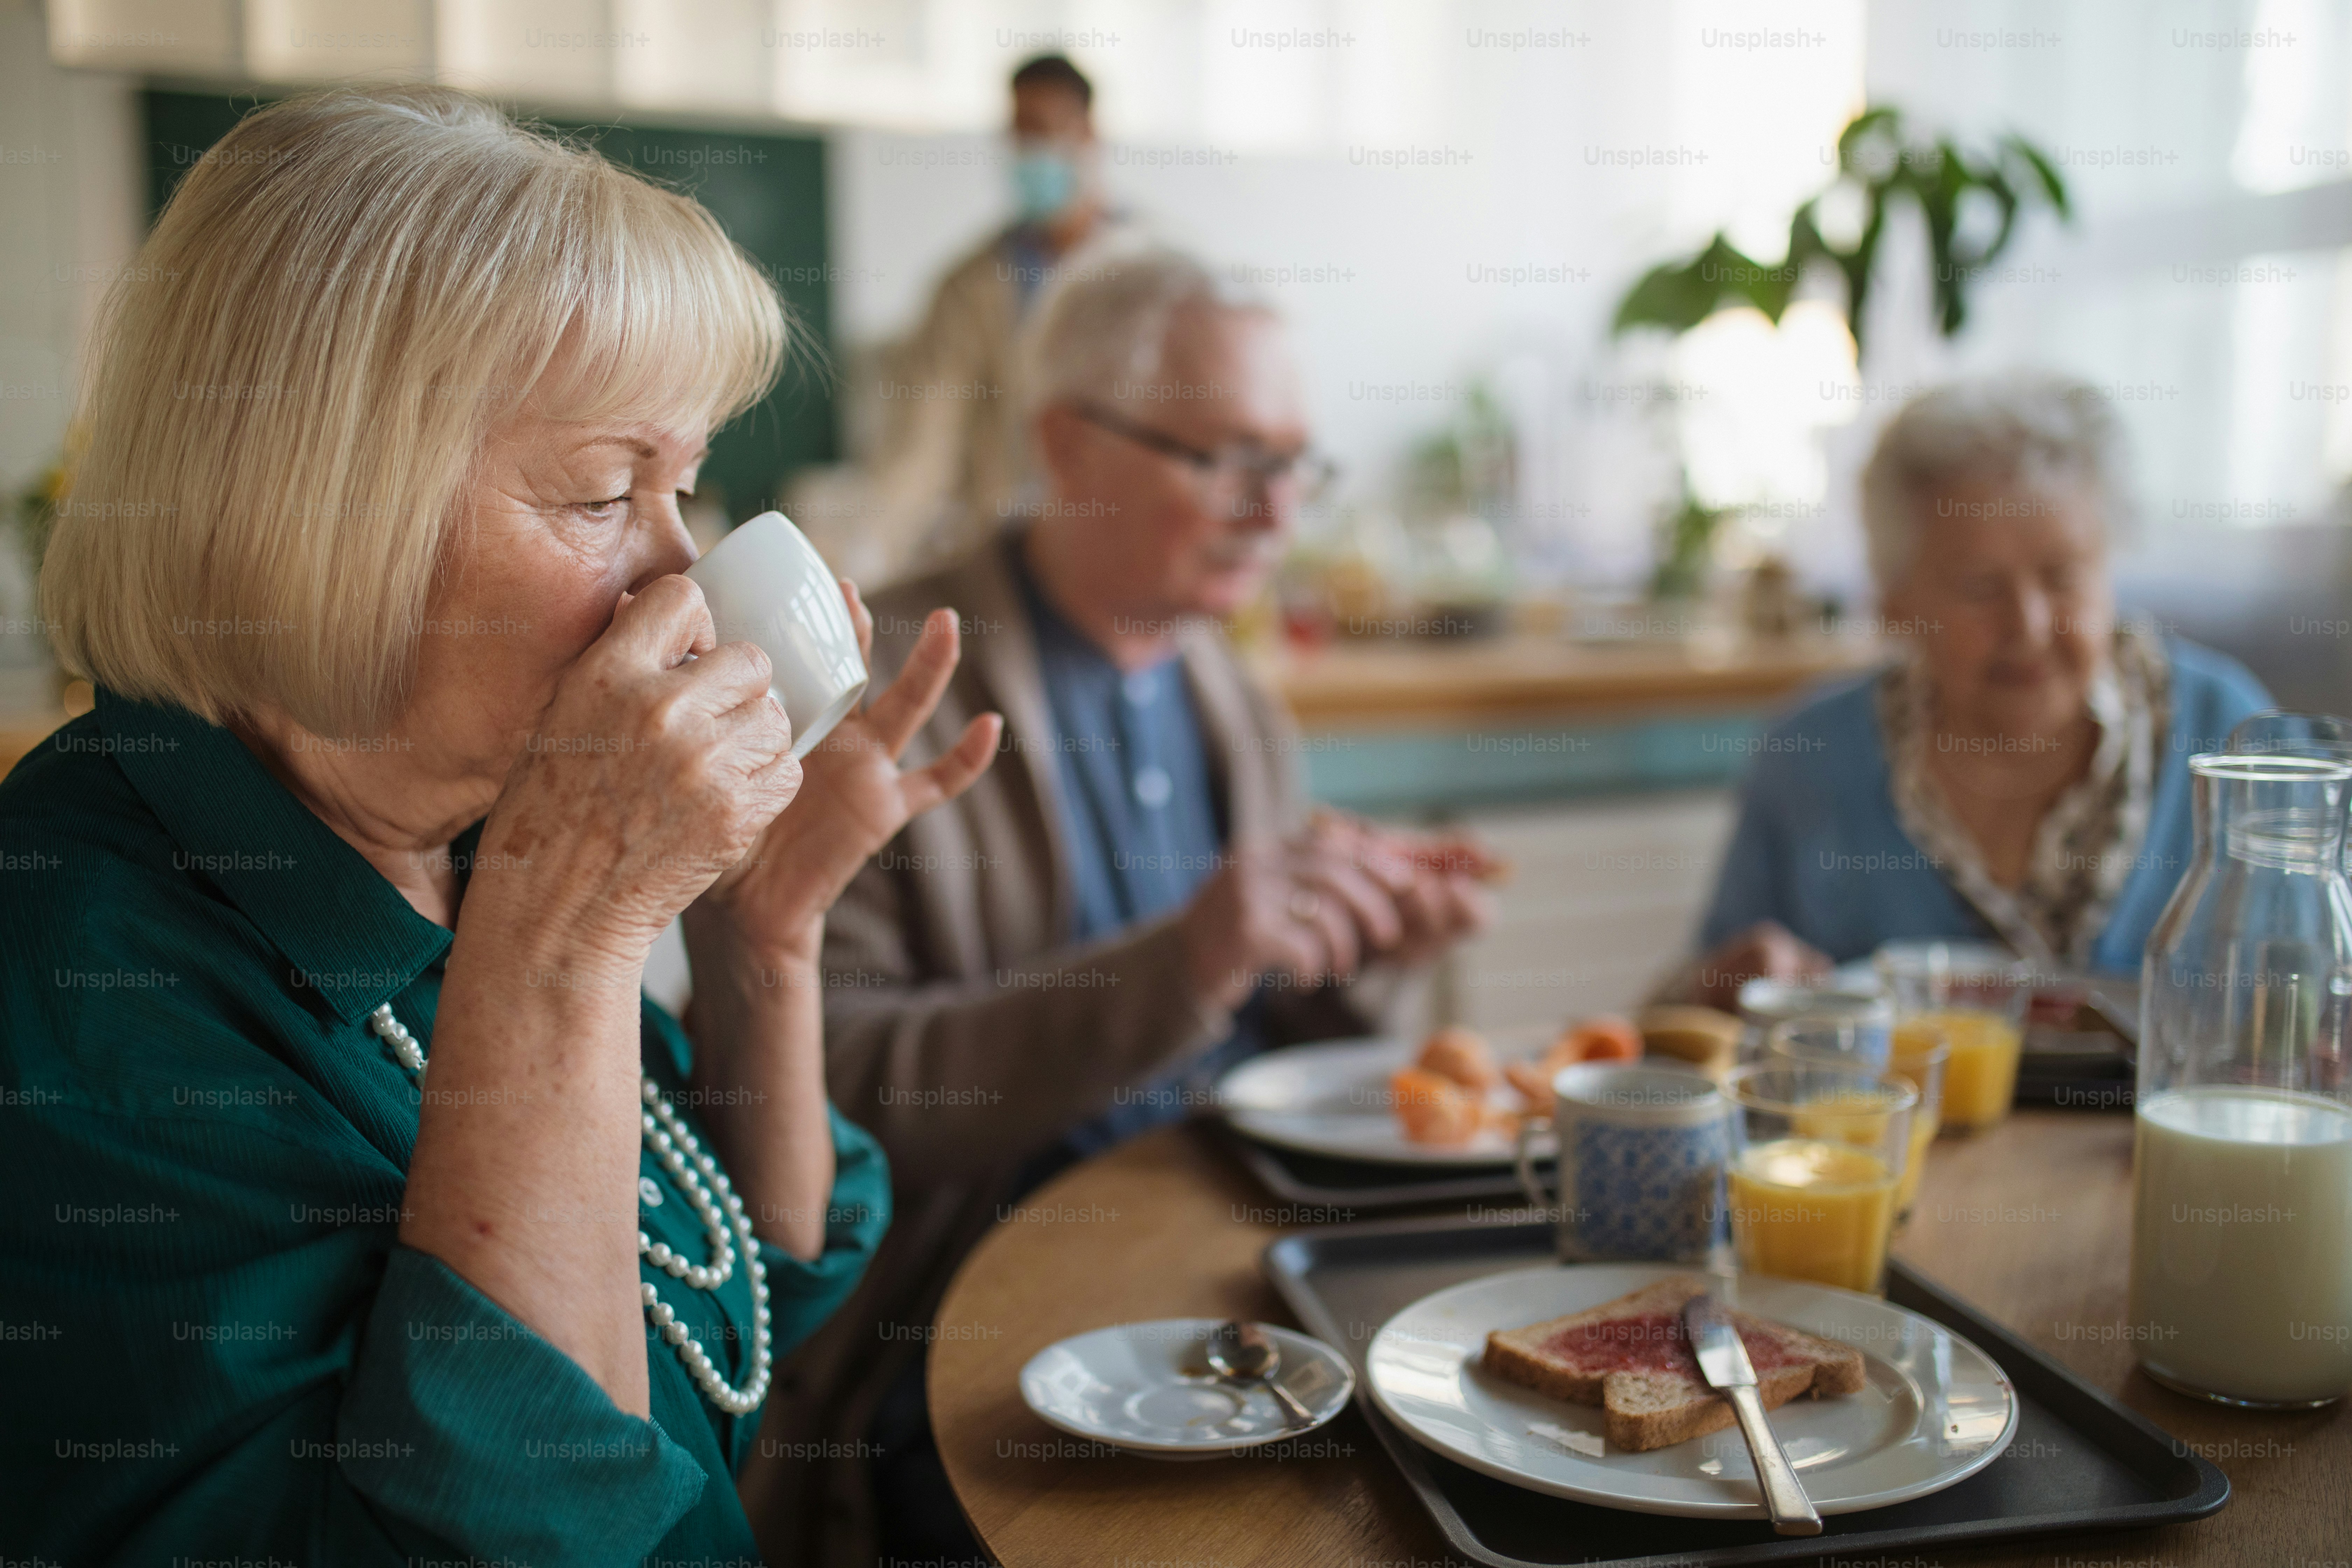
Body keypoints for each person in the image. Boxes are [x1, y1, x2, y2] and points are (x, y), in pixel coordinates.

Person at [0, 86, 1000, 1562]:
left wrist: (757, 940)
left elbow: (743, 1318)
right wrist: (573, 937)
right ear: (330, 514)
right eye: (607, 491)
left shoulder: (463, 835)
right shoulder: (77, 985)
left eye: (688, 486)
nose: (684, 579)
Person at [743, 251, 1498, 1564]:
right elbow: (837, 1102)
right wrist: (1187, 958)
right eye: (1229, 459)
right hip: (969, 1332)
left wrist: (1366, 955)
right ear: (1064, 441)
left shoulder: (1233, 697)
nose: (1276, 513)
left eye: (1297, 466)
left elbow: (1264, 1045)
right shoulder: (888, 690)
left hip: (1224, 1282)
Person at [1678, 372, 2272, 1009]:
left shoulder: (2231, 736)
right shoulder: (1810, 758)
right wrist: (1726, 983)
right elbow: (1693, 1012)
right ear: (1895, 602)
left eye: (2063, 576)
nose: (2030, 626)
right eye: (1980, 587)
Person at [853, 52, 1135, 578]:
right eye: (1018, 135)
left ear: (1089, 134)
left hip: (1127, 556)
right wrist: (864, 560)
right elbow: (920, 446)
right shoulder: (970, 288)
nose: (1030, 153)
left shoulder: (1152, 273)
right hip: (1010, 563)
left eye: (1044, 131)